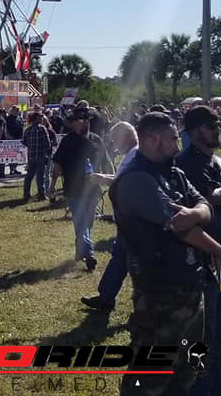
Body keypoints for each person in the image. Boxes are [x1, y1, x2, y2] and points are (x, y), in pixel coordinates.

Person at [112, 111, 221, 396]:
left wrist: (195, 213)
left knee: (185, 375)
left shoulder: (174, 173)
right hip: (159, 293)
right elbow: (178, 227)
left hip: (191, 288)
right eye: (172, 139)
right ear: (153, 139)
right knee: (149, 379)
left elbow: (204, 208)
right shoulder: (136, 180)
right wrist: (219, 251)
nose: (177, 145)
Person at [176, 105, 221, 394]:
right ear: (193, 132)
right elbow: (180, 214)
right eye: (210, 126)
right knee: (205, 331)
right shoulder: (182, 166)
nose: (218, 129)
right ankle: (201, 389)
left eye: (218, 124)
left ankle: (219, 385)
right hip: (203, 263)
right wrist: (209, 199)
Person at [81, 121, 138, 312]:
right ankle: (106, 297)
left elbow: (123, 182)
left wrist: (101, 179)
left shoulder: (134, 155)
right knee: (120, 256)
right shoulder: (132, 155)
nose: (114, 145)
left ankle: (109, 298)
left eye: (115, 140)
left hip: (133, 218)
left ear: (124, 137)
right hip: (128, 217)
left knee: (126, 258)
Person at [51, 108, 114, 271]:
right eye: (81, 120)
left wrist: (114, 180)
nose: (85, 122)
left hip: (93, 191)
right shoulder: (67, 141)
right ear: (73, 123)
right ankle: (89, 254)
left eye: (87, 120)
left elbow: (106, 162)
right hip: (73, 190)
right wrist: (52, 186)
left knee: (88, 223)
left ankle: (80, 251)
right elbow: (57, 164)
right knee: (81, 223)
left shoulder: (97, 140)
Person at [22, 111, 55, 201]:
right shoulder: (42, 128)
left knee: (29, 175)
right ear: (36, 118)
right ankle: (41, 195)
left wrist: (31, 146)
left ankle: (26, 194)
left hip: (31, 156)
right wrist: (47, 153)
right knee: (40, 177)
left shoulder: (27, 129)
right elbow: (47, 143)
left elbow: (24, 142)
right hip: (41, 155)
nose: (42, 119)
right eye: (40, 117)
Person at [5, 106, 24, 176]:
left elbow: (22, 127)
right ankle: (11, 169)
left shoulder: (20, 118)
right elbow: (6, 128)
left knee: (18, 155)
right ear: (12, 110)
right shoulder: (8, 118)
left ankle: (15, 168)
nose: (17, 111)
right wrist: (8, 136)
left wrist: (22, 136)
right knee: (12, 155)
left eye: (18, 110)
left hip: (19, 138)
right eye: (16, 110)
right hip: (11, 138)